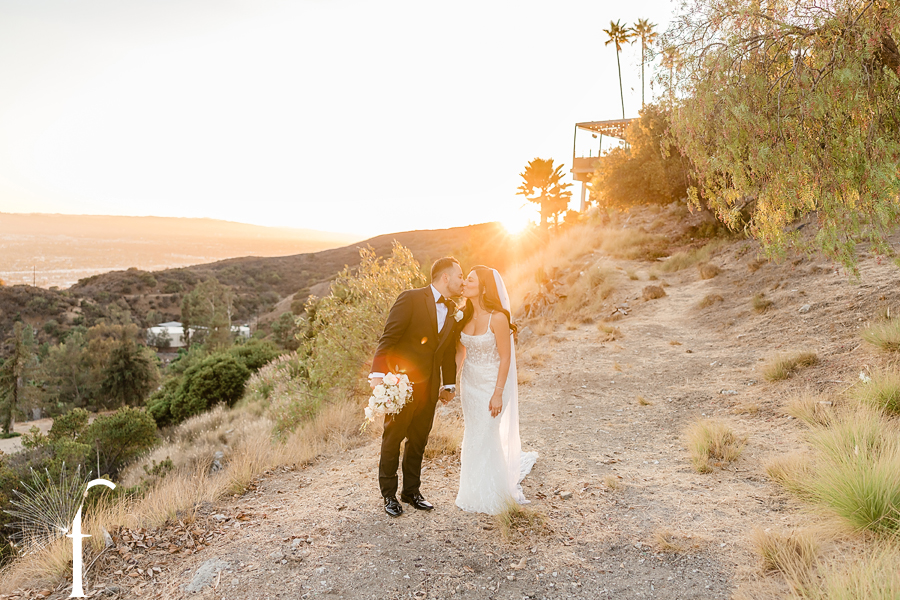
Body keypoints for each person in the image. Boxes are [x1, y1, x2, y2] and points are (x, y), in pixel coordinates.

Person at [370, 257, 465, 517]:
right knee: (393, 438)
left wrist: (448, 384)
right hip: (402, 384)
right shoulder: (410, 298)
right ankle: (389, 494)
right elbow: (389, 338)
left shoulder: (453, 309)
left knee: (419, 440)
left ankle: (411, 492)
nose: (462, 280)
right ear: (445, 277)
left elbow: (445, 352)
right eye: (459, 275)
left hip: (430, 388)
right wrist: (378, 376)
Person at [455, 266, 538, 515]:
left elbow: (505, 358)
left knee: (486, 433)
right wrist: (449, 381)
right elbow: (461, 353)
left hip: (494, 383)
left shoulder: (498, 318)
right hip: (469, 384)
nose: (464, 283)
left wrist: (498, 392)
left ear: (482, 286)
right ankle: (471, 491)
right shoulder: (463, 316)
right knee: (473, 433)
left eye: (469, 280)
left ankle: (495, 493)